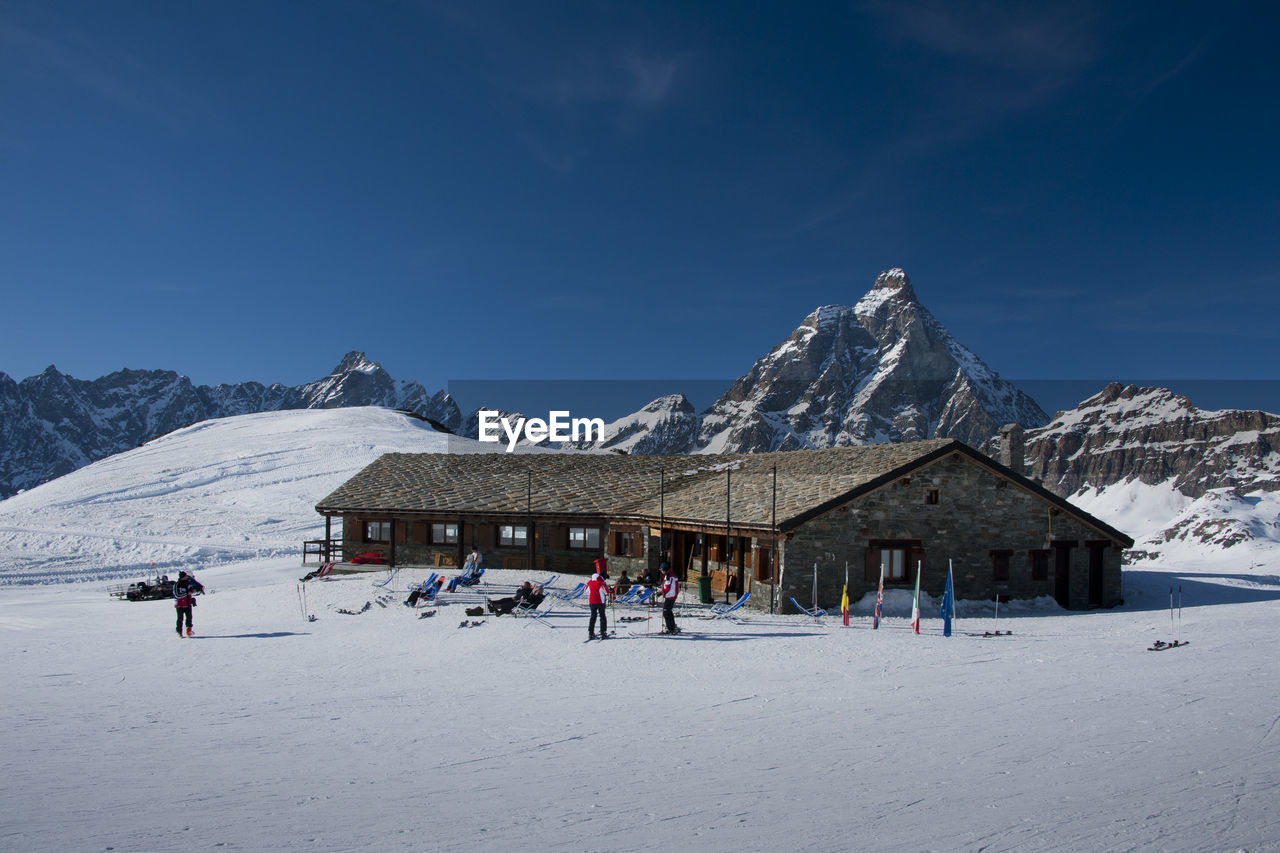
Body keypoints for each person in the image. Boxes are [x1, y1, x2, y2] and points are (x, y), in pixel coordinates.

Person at [173, 570, 204, 637]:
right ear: (182, 577)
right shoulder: (177, 584)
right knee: (180, 619)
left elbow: (191, 592)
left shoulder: (188, 583)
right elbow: (176, 595)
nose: (186, 577)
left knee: (189, 618)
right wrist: (186, 593)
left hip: (188, 604)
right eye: (185, 576)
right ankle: (179, 632)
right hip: (179, 605)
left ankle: (189, 630)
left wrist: (196, 591)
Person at [586, 562, 612, 639]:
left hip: (591, 602)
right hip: (600, 602)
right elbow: (606, 592)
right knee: (602, 617)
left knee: (593, 617)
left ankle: (590, 632)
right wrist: (611, 591)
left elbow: (585, 590)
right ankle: (603, 632)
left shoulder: (590, 582)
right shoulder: (601, 582)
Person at [660, 564, 681, 635]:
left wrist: (663, 593)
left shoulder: (669, 576)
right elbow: (666, 585)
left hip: (670, 596)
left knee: (666, 612)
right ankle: (672, 626)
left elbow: (668, 586)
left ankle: (671, 629)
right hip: (671, 595)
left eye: (662, 570)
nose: (661, 572)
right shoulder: (669, 575)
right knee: (668, 611)